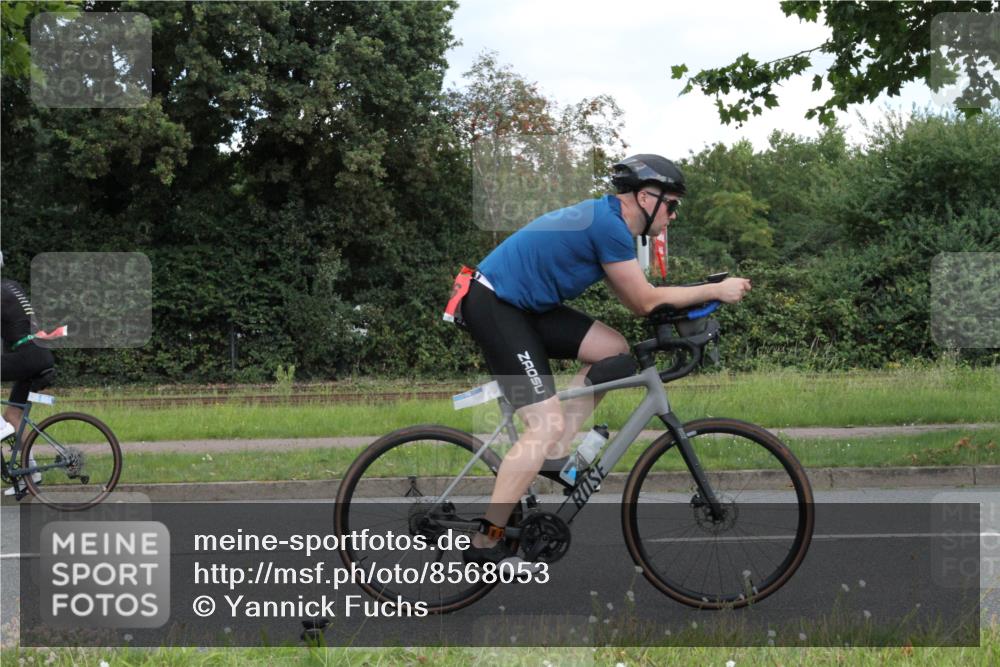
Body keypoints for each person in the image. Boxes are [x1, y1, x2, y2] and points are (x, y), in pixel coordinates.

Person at [455, 154, 752, 564]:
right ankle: (486, 541)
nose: (673, 215)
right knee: (543, 425)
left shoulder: (608, 222)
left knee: (612, 349)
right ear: (646, 198)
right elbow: (644, 300)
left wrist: (695, 300)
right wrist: (714, 290)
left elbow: (638, 302)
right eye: (671, 205)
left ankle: (556, 455)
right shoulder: (608, 226)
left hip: (522, 306)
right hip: (495, 304)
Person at [1, 251, 53, 493]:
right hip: (37, 354)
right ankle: (30, 473)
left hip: (28, 356)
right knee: (13, 414)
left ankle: (1, 429)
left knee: (8, 421)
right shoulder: (10, 287)